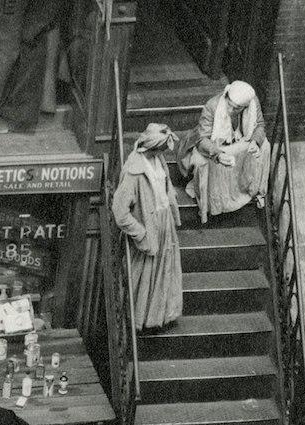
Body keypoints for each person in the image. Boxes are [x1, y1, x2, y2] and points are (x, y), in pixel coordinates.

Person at [112, 122, 184, 332]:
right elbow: (120, 212)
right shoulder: (133, 171)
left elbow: (165, 186)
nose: (163, 153)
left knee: (165, 271)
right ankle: (138, 320)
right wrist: (140, 234)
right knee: (144, 275)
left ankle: (161, 316)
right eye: (160, 149)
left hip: (164, 223)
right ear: (150, 148)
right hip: (148, 226)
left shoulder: (158, 159)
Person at [177, 80, 269, 223]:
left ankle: (249, 190)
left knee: (265, 146)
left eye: (237, 108)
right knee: (203, 160)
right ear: (226, 96)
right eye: (230, 105)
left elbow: (260, 125)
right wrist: (218, 154)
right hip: (214, 144)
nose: (231, 111)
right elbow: (202, 140)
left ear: (245, 106)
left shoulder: (252, 102)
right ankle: (215, 203)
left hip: (238, 140)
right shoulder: (212, 106)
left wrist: (255, 142)